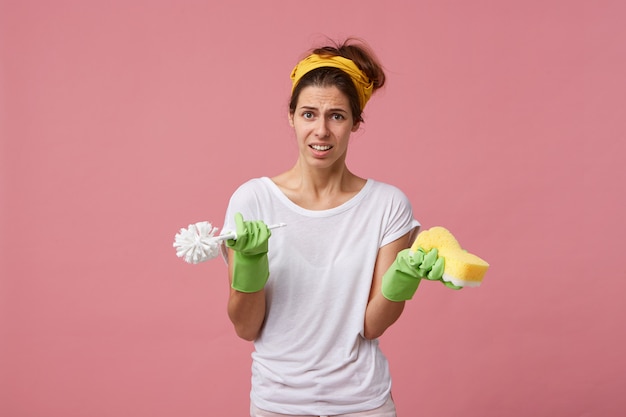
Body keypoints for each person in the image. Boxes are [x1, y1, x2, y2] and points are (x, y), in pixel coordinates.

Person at [221, 38, 450, 417]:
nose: (322, 130)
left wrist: (403, 278)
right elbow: (246, 328)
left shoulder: (387, 205)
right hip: (278, 404)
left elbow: (372, 326)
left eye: (337, 116)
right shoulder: (252, 201)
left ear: (355, 123)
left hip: (363, 403)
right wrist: (250, 263)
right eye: (309, 114)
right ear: (291, 117)